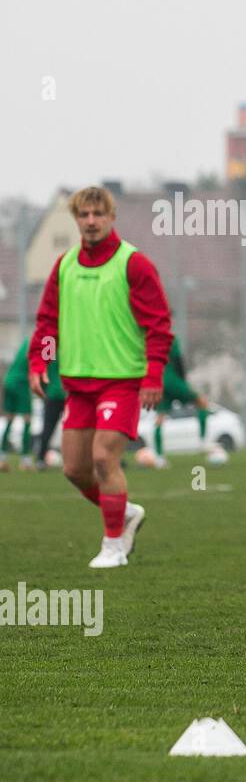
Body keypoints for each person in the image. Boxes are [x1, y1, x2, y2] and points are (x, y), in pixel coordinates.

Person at [28, 185, 172, 567]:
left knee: (105, 459)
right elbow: (47, 323)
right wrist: (40, 363)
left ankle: (113, 546)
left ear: (111, 217)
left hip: (121, 381)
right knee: (74, 469)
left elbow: (158, 324)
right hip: (78, 385)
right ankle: (124, 513)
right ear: (76, 219)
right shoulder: (65, 266)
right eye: (84, 215)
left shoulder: (134, 264)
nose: (91, 221)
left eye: (98, 214)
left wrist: (153, 374)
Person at [151, 334, 211, 468]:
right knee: (202, 402)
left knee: (159, 418)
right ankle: (203, 443)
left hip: (158, 381)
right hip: (173, 380)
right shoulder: (170, 337)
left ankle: (159, 457)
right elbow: (178, 361)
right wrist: (183, 381)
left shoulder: (150, 338)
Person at [2, 340, 37, 472]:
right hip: (21, 383)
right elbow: (47, 364)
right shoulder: (47, 341)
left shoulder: (27, 341)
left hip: (9, 380)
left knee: (9, 419)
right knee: (27, 420)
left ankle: (2, 457)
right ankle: (25, 460)